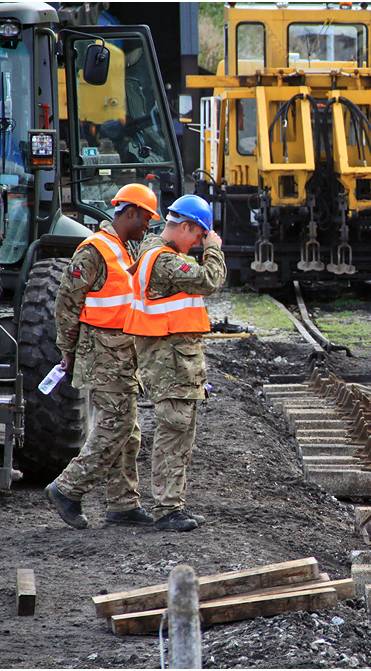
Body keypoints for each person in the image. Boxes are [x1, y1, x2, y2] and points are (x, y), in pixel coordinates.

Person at [45, 184, 160, 529]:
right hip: (103, 355)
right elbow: (67, 304)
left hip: (122, 355)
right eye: (146, 219)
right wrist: (67, 351)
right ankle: (67, 488)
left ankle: (123, 504)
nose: (148, 226)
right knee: (116, 426)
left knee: (129, 430)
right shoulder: (95, 251)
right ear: (130, 213)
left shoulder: (124, 250)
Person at [124, 194, 226, 532]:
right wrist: (214, 248)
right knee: (174, 435)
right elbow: (210, 280)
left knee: (177, 434)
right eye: (198, 235)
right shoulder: (166, 261)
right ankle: (167, 509)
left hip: (172, 362)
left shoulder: (153, 250)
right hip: (171, 364)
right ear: (185, 226)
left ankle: (170, 505)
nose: (198, 242)